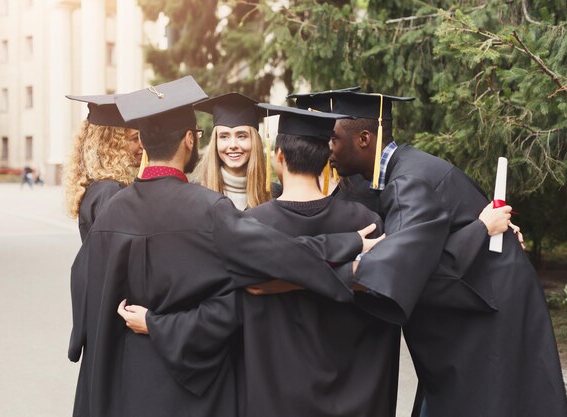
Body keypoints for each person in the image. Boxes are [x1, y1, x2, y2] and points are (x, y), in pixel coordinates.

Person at [69, 76, 372, 417]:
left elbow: (84, 283)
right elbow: (279, 253)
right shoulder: (207, 209)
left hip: (126, 378)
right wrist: (349, 242)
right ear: (188, 140)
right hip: (190, 386)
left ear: (142, 139)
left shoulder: (113, 210)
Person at [291, 89, 567, 417]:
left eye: (333, 140)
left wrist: (316, 273)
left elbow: (411, 268)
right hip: (484, 296)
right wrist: (479, 227)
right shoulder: (400, 169)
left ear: (364, 139)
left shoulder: (408, 182)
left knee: (493, 403)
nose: (328, 149)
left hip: (489, 308)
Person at [237, 103, 400, 417]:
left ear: (278, 157)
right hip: (354, 398)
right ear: (328, 158)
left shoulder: (252, 226)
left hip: (274, 398)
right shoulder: (365, 223)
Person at [64, 94, 143, 241]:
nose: (142, 145)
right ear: (111, 144)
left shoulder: (99, 187)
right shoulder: (110, 192)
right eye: (134, 138)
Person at [192, 93, 272, 210]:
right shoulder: (196, 193)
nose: (233, 145)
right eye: (224, 136)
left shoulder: (272, 194)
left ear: (255, 141)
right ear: (215, 142)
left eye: (241, 136)